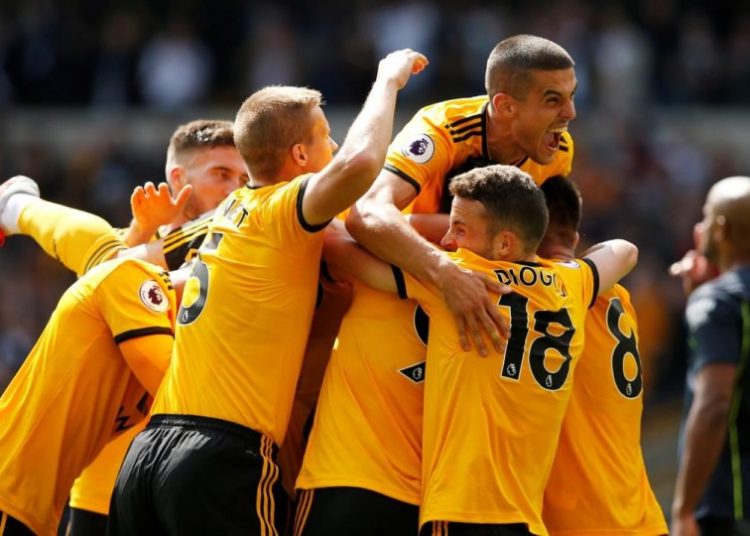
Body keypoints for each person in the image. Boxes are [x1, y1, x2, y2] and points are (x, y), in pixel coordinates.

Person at [107, 49, 428, 536]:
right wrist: (387, 80)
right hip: (221, 453)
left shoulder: (229, 211)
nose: (334, 145)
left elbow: (131, 266)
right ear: (299, 156)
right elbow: (361, 162)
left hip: (148, 455)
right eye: (326, 136)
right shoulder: (282, 208)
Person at [322, 164, 637, 536]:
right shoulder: (572, 283)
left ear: (504, 244)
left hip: (462, 511)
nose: (446, 240)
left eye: (459, 228)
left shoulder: (462, 276)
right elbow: (625, 251)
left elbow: (337, 243)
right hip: (526, 521)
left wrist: (419, 242)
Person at [347, 34, 577, 357]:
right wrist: (447, 273)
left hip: (475, 314)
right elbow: (365, 213)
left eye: (571, 96)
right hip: (400, 293)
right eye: (553, 100)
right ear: (505, 106)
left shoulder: (557, 149)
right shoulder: (442, 129)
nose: (571, 112)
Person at [0, 257, 179, 536]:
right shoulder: (131, 280)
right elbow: (186, 403)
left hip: (35, 507)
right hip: (9, 487)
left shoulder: (167, 338)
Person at [535, 177, 668, 535]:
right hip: (641, 518)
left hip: (581, 521)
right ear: (575, 237)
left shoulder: (540, 294)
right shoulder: (618, 296)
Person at [0, 119, 247, 275]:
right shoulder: (117, 240)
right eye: (221, 174)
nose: (234, 190)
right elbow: (97, 291)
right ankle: (18, 206)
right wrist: (142, 229)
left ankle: (17, 205)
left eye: (244, 180)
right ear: (178, 178)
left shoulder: (246, 242)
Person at [671, 176, 750, 536]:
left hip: (733, 506)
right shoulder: (717, 301)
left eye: (705, 217)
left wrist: (684, 508)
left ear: (721, 228)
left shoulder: (720, 302)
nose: (698, 227)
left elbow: (715, 403)